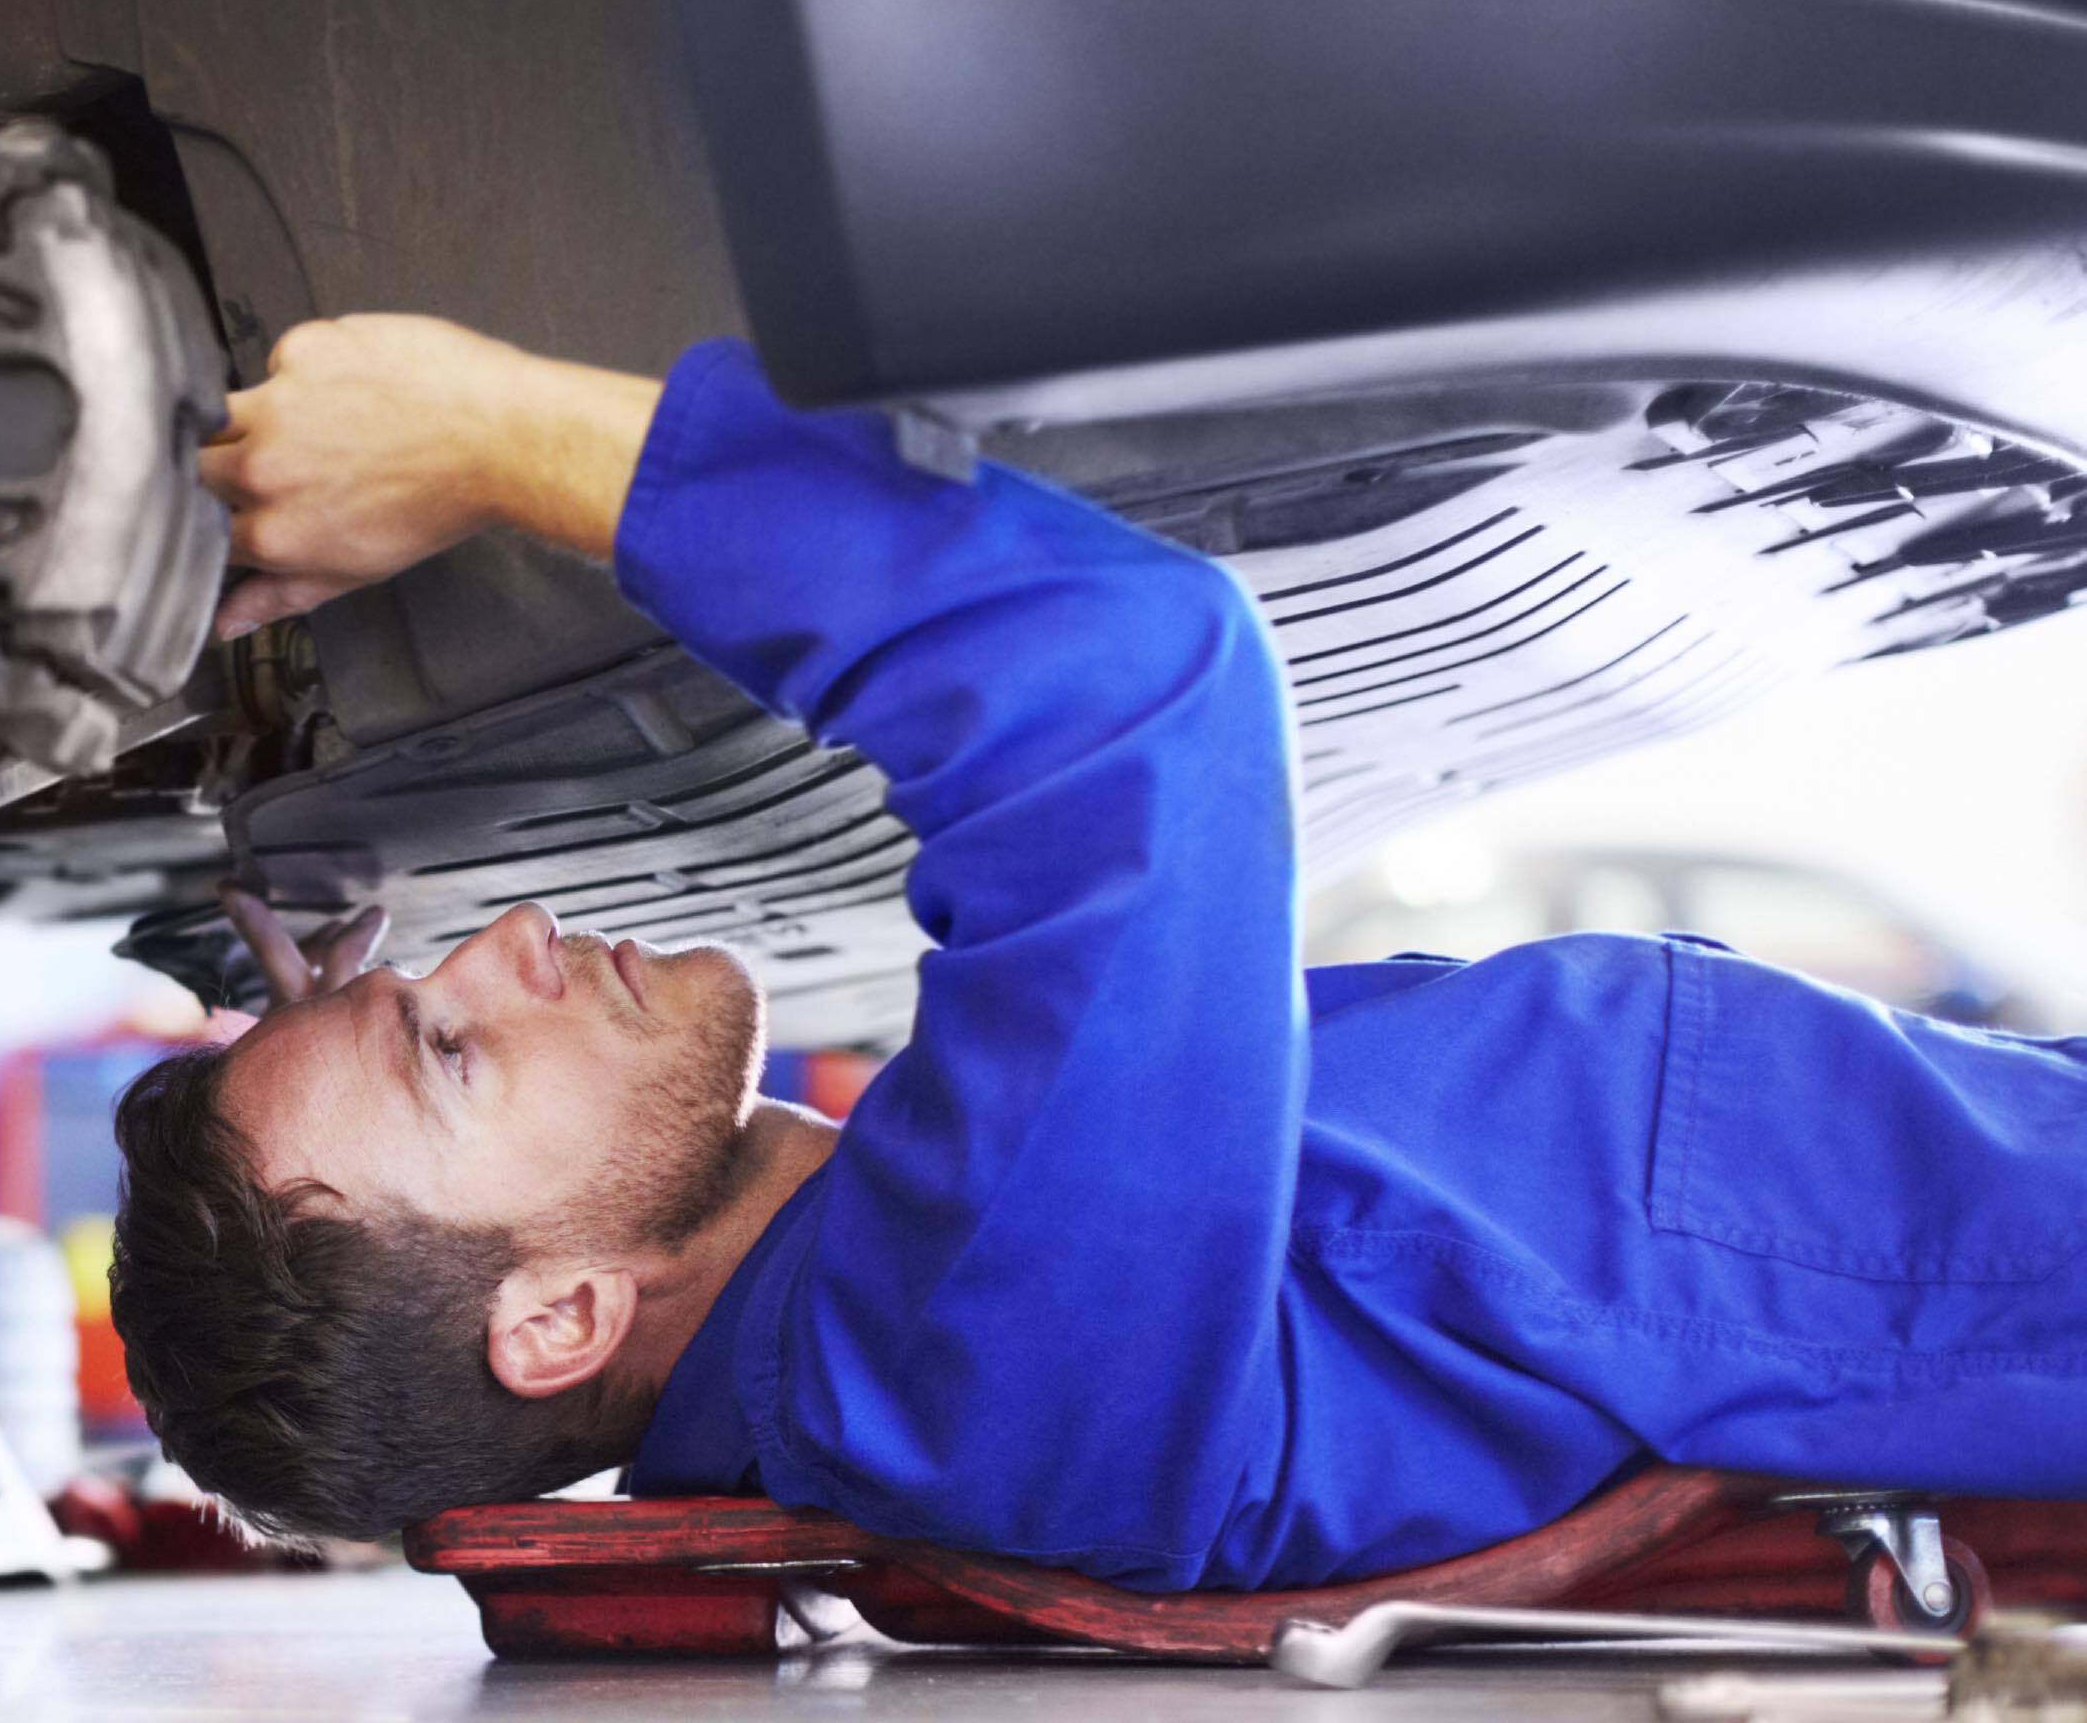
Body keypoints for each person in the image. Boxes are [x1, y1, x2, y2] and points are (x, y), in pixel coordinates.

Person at [111, 314, 2087, 1589]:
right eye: (450, 1052)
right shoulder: (963, 1361)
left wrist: (334, 1027)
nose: (512, 938)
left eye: (421, 977)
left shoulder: (915, 1295)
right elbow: (1124, 687)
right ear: (554, 1327)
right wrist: (488, 431)